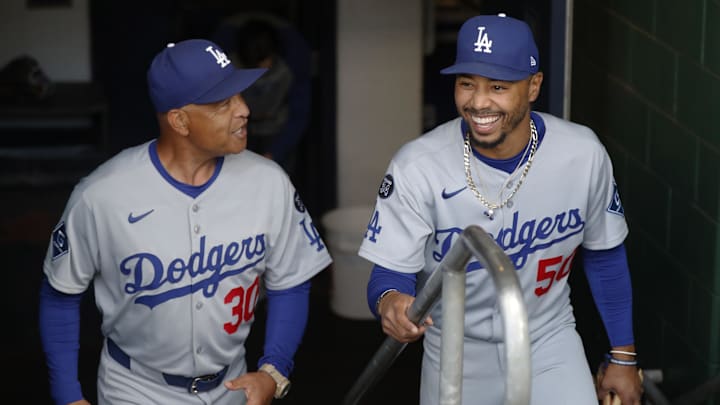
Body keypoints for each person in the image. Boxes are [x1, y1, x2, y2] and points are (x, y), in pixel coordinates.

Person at [358, 13, 644, 405]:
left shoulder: (582, 153)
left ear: (533, 86)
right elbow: (389, 273)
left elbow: (605, 254)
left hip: (547, 339)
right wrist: (390, 301)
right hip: (455, 349)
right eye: (466, 84)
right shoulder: (418, 165)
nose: (478, 102)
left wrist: (623, 357)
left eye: (497, 86)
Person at [38, 38, 332, 405]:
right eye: (223, 103)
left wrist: (274, 369)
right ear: (179, 120)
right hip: (136, 390)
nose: (243, 110)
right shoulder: (101, 195)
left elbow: (291, 281)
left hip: (233, 386)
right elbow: (60, 294)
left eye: (239, 96)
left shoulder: (270, 182)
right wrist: (67, 394)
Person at [212, 13, 313, 178]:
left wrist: (275, 152)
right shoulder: (224, 63)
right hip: (237, 134)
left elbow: (299, 114)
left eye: (264, 67)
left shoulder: (293, 65)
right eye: (251, 70)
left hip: (279, 132)